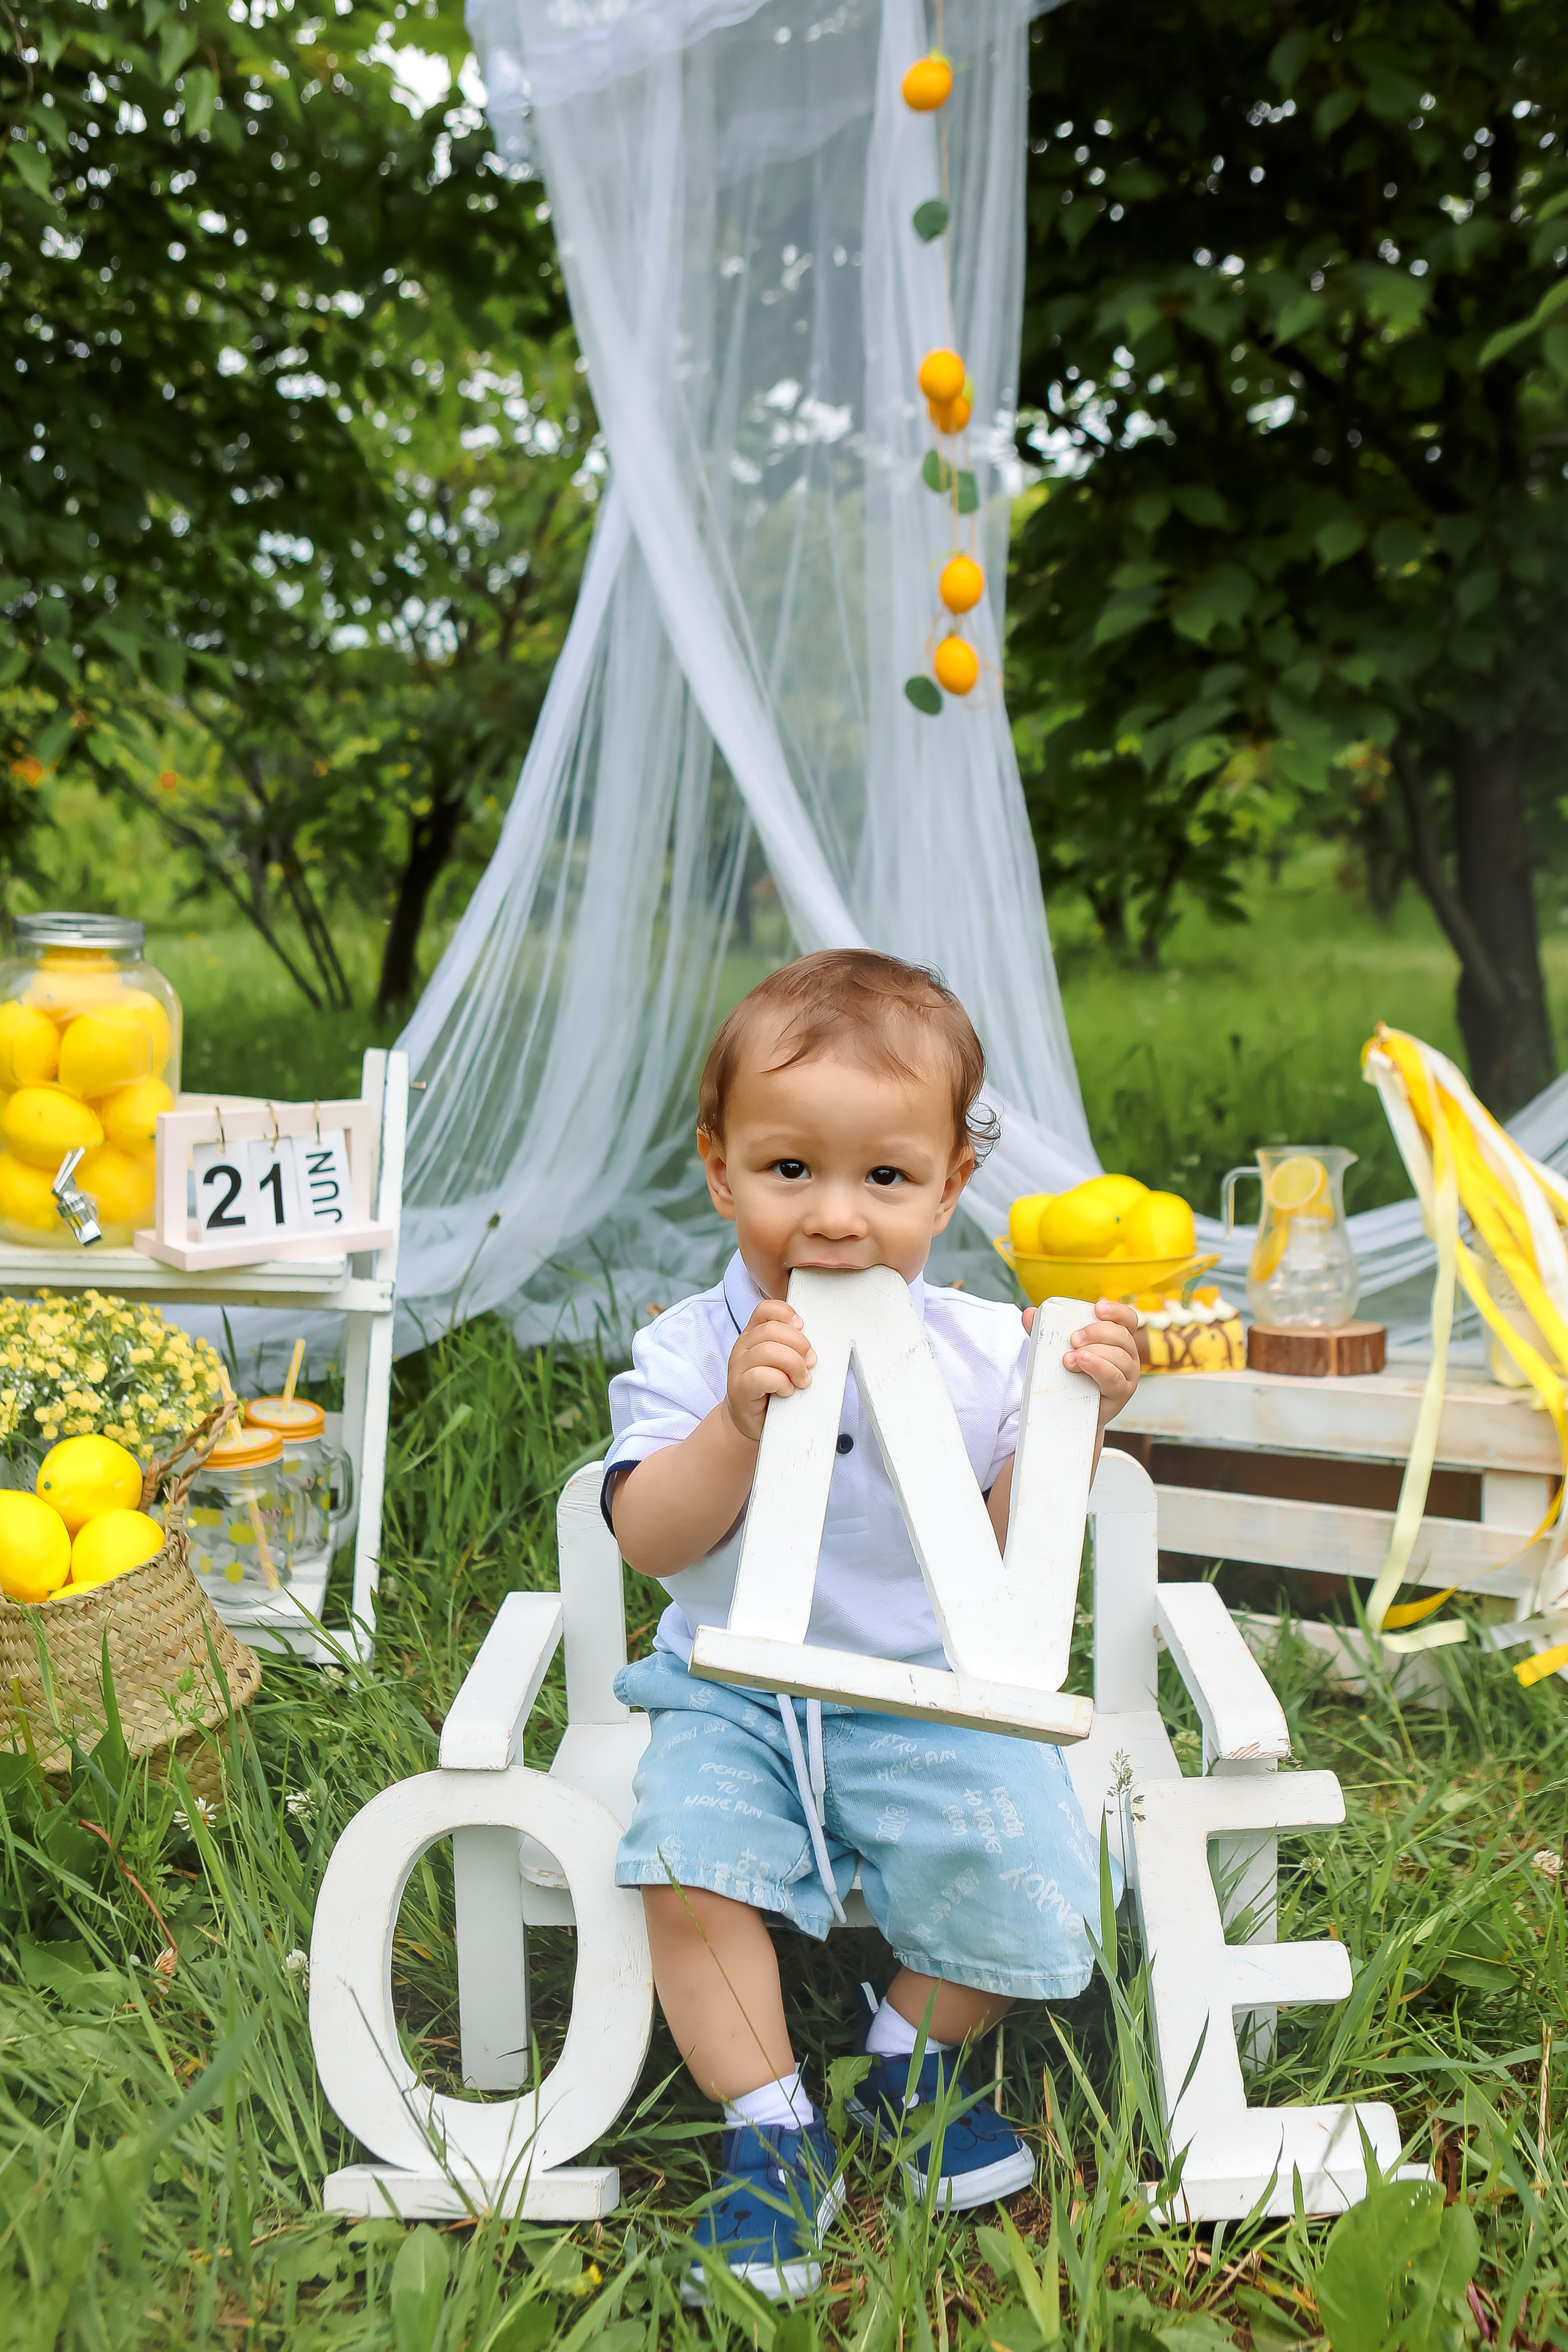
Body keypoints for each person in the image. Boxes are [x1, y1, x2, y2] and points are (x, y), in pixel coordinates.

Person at [603, 949, 1140, 2299]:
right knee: (683, 1865)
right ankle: (770, 2125)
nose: (834, 1218)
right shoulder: (685, 1350)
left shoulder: (978, 1356)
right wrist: (734, 1424)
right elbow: (647, 1537)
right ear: (720, 1168)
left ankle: (912, 2054)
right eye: (791, 1172)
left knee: (1051, 1865)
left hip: (926, 1688)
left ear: (950, 1187)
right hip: (731, 1696)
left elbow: (1022, 1546)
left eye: (884, 1179)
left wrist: (1078, 1420)